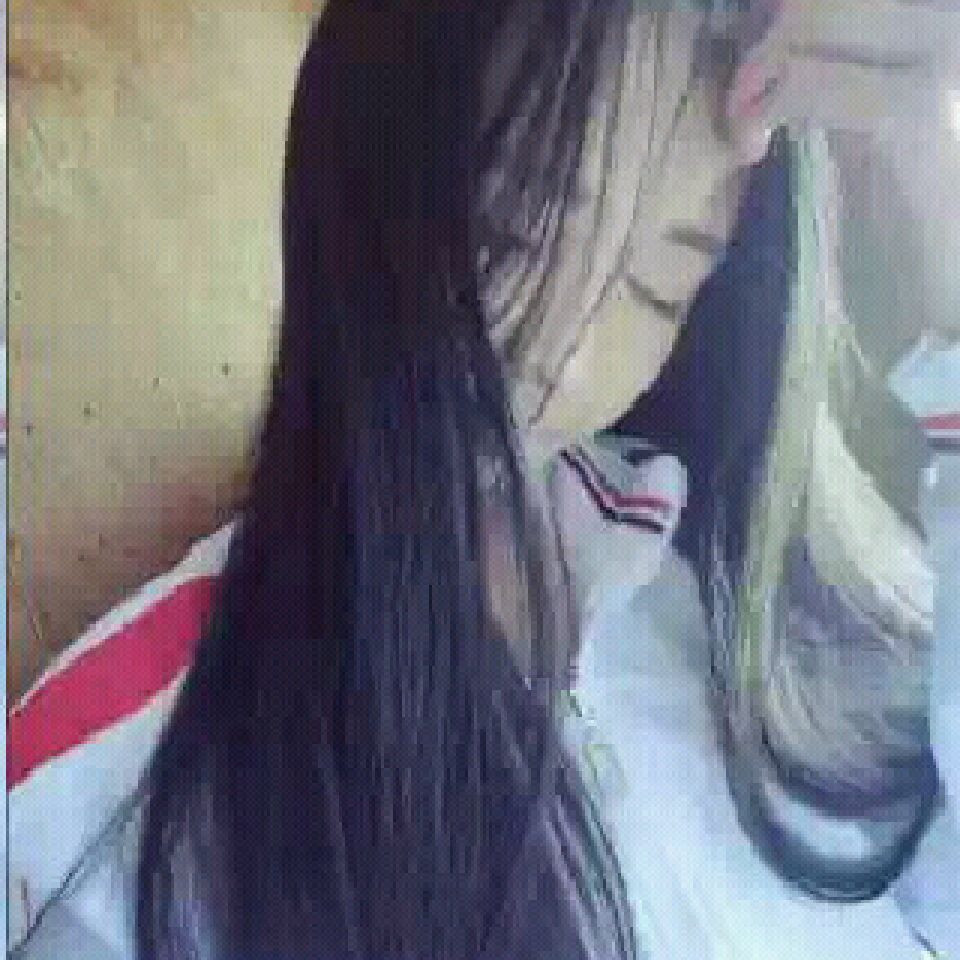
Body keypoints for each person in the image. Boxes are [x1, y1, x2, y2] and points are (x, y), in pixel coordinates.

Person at [8, 1, 959, 958]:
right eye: (519, 235)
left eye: (657, 289)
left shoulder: (769, 599)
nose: (568, 362)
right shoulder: (120, 799)